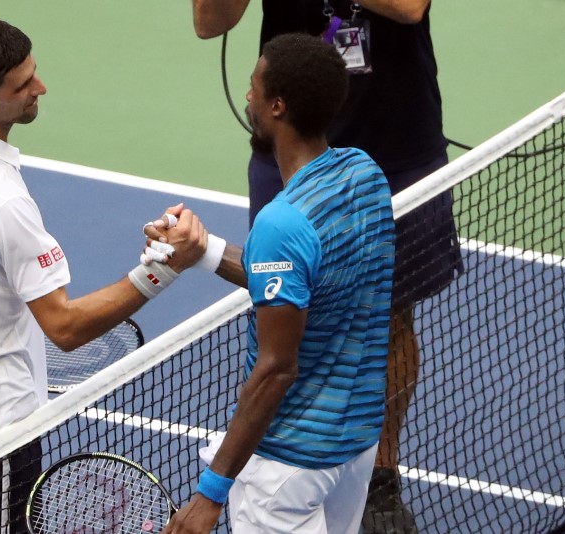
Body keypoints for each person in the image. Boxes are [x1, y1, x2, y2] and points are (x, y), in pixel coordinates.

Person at [0, 15, 206, 534]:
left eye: (33, 72)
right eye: (22, 86)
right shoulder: (2, 203)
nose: (40, 88)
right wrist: (161, 272)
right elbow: (63, 328)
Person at [191, 1, 464, 531]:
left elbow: (409, 8)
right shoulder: (283, 202)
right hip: (289, 141)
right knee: (286, 300)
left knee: (390, 316)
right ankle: (300, 447)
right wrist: (201, 252)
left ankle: (379, 475)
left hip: (394, 145)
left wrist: (212, 490)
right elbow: (210, 22)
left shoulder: (359, 170)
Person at [149, 33, 395, 533]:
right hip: (354, 443)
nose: (247, 98)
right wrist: (204, 252)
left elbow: (276, 370)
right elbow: (307, 280)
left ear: (277, 106)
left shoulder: (281, 222)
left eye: (253, 88)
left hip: (289, 466)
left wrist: (210, 494)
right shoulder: (364, 175)